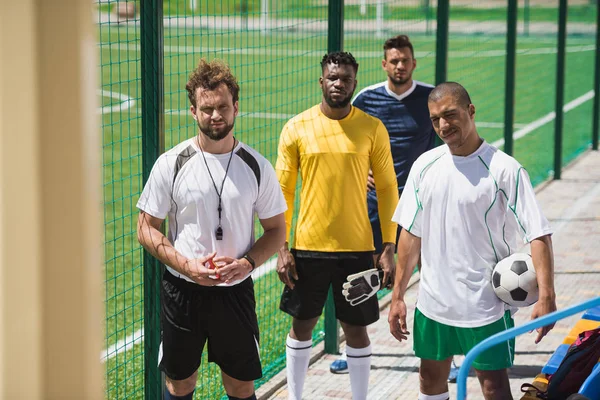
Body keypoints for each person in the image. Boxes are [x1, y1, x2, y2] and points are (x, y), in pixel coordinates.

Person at [388, 82, 557, 400]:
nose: (443, 125)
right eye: (435, 118)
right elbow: (411, 233)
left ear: (471, 111)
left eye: (450, 115)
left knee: (493, 387)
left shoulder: (505, 169)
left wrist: (547, 295)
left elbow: (538, 233)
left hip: (485, 306)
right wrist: (398, 296)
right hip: (433, 304)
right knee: (429, 380)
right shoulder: (424, 167)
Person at [136, 59, 287, 400]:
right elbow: (145, 228)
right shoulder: (171, 163)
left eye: (222, 107)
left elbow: (277, 229)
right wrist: (187, 266)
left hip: (235, 292)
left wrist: (246, 264)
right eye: (207, 109)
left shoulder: (257, 166)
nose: (215, 115)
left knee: (240, 384)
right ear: (193, 111)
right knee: (180, 383)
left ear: (236, 107)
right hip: (182, 290)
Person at [276, 51, 399, 400]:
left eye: (345, 79)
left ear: (354, 83)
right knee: (301, 328)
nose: (338, 84)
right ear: (321, 81)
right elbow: (281, 191)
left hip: (358, 249)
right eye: (332, 77)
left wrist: (388, 246)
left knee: (357, 331)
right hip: (308, 248)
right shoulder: (297, 127)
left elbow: (389, 188)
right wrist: (282, 247)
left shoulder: (371, 128)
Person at [330, 34, 439, 375]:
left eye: (405, 60)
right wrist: (360, 171)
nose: (400, 66)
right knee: (361, 278)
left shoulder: (429, 98)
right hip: (374, 207)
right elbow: (345, 143)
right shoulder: (366, 98)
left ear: (413, 63)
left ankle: (441, 355)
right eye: (394, 60)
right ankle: (354, 352)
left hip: (419, 206)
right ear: (384, 64)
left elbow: (443, 147)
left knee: (434, 277)